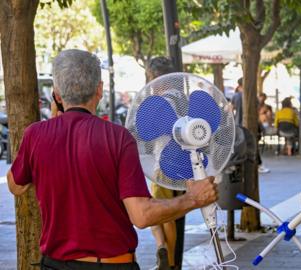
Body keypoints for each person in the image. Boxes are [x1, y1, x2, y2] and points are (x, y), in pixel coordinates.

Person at [7, 49, 218, 270]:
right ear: (99, 90)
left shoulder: (35, 135)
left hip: (54, 264)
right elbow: (141, 215)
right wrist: (192, 199)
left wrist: (49, 128)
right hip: (110, 264)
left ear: (57, 95)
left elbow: (16, 186)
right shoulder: (117, 138)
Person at [144, 56, 187, 270]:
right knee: (172, 211)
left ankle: (169, 261)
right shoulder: (183, 98)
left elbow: (150, 131)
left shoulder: (162, 101)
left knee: (164, 212)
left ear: (157, 80)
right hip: (183, 161)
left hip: (165, 161)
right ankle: (167, 254)